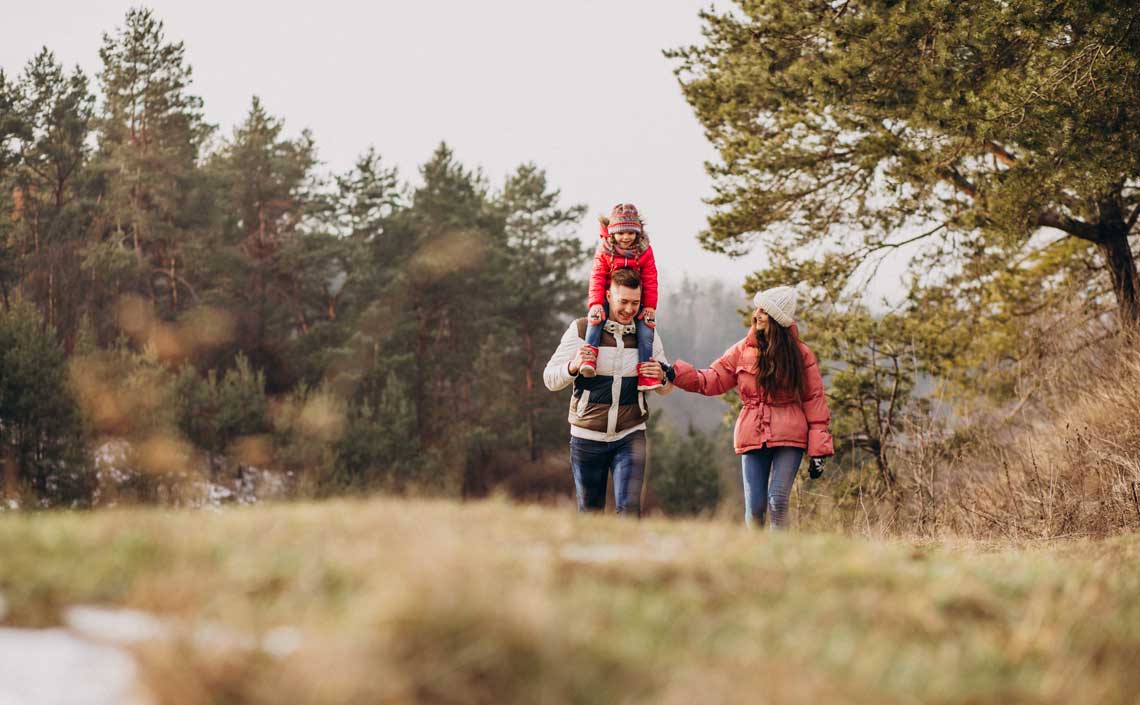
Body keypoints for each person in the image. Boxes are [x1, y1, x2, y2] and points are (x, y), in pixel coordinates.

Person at [667, 286, 834, 529]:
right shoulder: (741, 350)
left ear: (777, 318)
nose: (757, 314)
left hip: (790, 436)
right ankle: (755, 560)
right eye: (757, 309)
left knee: (777, 500)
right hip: (752, 434)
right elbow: (711, 379)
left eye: (764, 311)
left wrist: (818, 450)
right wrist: (675, 373)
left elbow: (814, 399)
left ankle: (781, 560)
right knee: (755, 508)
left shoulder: (801, 355)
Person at [543, 267, 673, 517]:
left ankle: (628, 557)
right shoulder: (582, 330)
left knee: (630, 510)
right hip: (587, 436)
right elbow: (550, 379)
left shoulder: (647, 335)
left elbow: (665, 389)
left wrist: (662, 377)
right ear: (607, 295)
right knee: (590, 512)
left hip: (630, 434)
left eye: (635, 303)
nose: (629, 309)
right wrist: (573, 367)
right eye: (623, 301)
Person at [579, 203, 661, 391]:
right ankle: (589, 355)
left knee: (646, 329)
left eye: (631, 233)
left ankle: (646, 372)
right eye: (621, 233)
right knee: (595, 319)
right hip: (611, 297)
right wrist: (596, 303)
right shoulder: (605, 250)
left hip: (634, 296)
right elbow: (597, 277)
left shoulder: (644, 251)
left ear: (637, 233)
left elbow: (650, 278)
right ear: (612, 233)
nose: (626, 237)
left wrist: (649, 306)